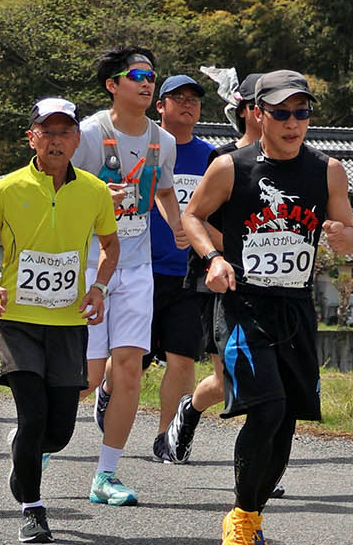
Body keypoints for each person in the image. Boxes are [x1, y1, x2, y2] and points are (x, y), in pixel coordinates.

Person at [182, 70, 353, 545]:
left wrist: (344, 239)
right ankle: (238, 518)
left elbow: (346, 231)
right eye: (281, 112)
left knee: (287, 421)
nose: (292, 122)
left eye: (301, 112)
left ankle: (253, 516)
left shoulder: (328, 170)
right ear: (256, 114)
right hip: (244, 307)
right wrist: (213, 259)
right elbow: (193, 216)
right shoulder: (231, 167)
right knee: (268, 407)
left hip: (295, 310)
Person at [0, 98, 119, 543]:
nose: (56, 140)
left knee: (59, 431)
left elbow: (111, 246)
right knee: (33, 415)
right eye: (46, 131)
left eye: (64, 132)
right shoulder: (6, 188)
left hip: (68, 321)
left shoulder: (93, 190)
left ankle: (26, 451)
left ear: (77, 139)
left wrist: (99, 288)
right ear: (31, 137)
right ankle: (33, 508)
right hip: (17, 319)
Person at [73, 45, 185, 505]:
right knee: (82, 376)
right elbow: (60, 188)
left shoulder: (166, 141)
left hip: (137, 267)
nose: (146, 83)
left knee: (131, 371)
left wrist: (179, 227)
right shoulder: (89, 134)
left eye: (151, 76)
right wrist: (101, 193)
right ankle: (36, 442)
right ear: (112, 85)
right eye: (136, 75)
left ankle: (106, 474)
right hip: (87, 263)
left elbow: (162, 189)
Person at [162, 70, 267, 458]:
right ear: (248, 111)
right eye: (271, 106)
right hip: (217, 281)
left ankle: (261, 465)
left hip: (273, 285)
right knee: (228, 379)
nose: (286, 117)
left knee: (268, 374)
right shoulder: (222, 160)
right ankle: (189, 410)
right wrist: (239, 254)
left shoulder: (297, 165)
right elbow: (197, 218)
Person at [148, 75, 223, 464]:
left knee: (182, 358)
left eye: (194, 99)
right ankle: (108, 391)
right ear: (160, 105)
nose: (188, 105)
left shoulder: (210, 157)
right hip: (141, 269)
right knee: (129, 359)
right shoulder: (143, 147)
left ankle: (166, 436)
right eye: (178, 98)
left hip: (189, 273)